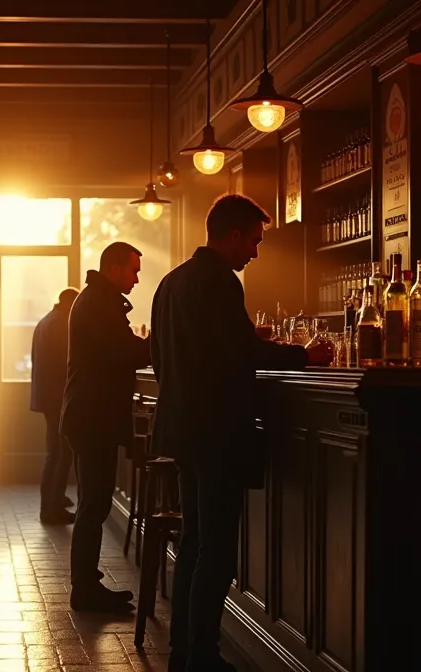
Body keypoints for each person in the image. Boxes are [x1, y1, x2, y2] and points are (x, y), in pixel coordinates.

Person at [151, 194, 332, 672]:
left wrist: (252, 343)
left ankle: (183, 652)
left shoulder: (171, 282)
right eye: (253, 241)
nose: (254, 253)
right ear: (232, 235)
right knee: (216, 551)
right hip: (215, 433)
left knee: (193, 543)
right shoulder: (219, 282)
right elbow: (239, 355)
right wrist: (303, 357)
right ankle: (203, 656)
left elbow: (174, 354)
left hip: (181, 430)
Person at [62, 241, 152, 613]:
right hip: (92, 417)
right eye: (132, 270)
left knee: (92, 504)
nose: (135, 278)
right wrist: (161, 342)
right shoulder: (100, 304)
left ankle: (87, 583)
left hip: (87, 415)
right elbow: (126, 352)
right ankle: (84, 589)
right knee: (93, 505)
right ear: (113, 268)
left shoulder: (95, 299)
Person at [30, 287, 80, 524]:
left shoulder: (45, 322)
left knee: (54, 453)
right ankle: (52, 508)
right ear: (71, 305)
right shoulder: (62, 325)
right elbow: (66, 364)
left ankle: (51, 502)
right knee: (60, 454)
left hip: (47, 397)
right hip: (59, 398)